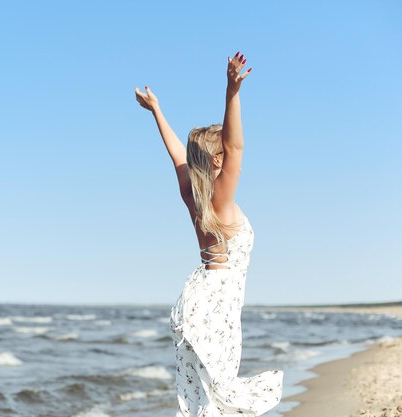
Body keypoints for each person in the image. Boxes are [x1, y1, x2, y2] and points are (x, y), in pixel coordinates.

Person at [135, 51, 284, 417]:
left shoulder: (194, 197)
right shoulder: (219, 197)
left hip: (197, 299)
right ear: (217, 160)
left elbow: (177, 157)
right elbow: (235, 145)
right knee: (218, 394)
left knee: (204, 396)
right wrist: (232, 90)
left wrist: (157, 110)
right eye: (225, 151)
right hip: (218, 305)